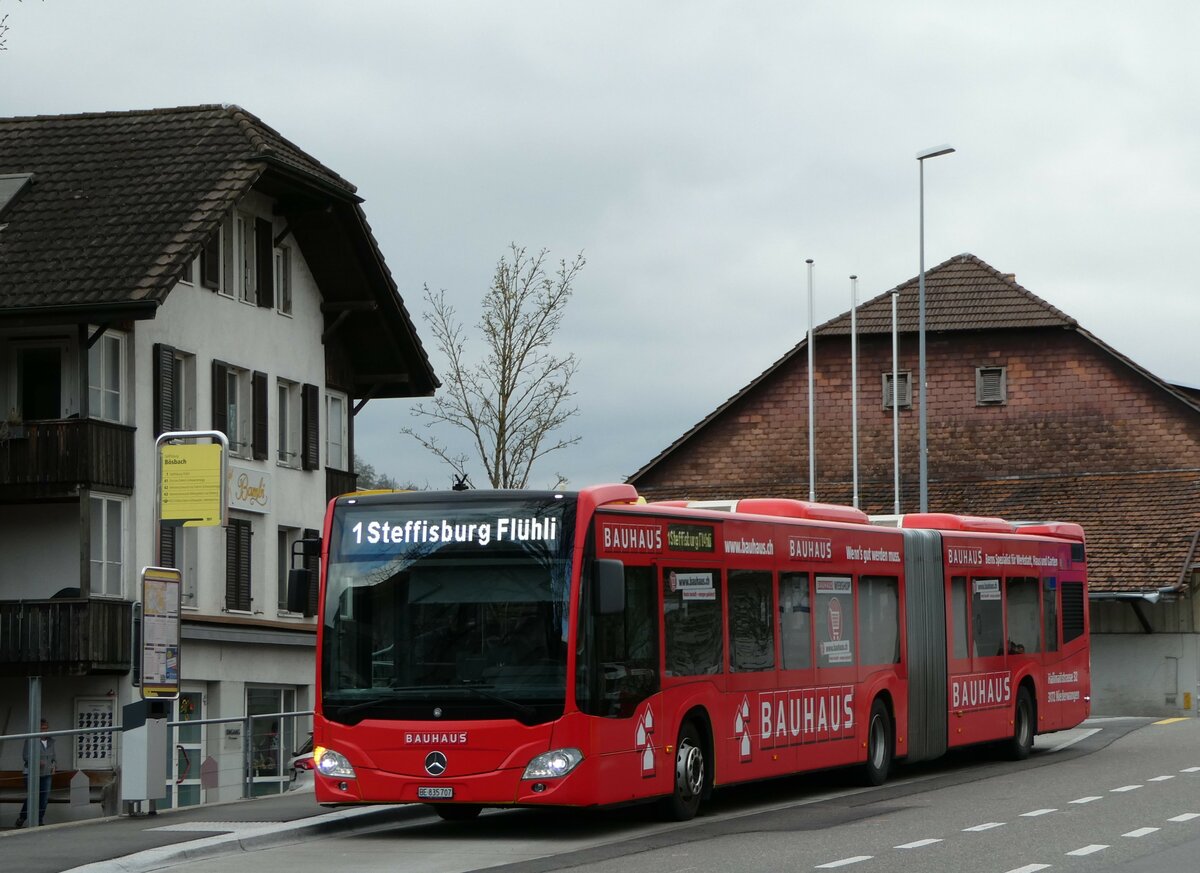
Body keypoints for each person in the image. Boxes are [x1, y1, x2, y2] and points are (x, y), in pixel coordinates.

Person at [15, 718, 56, 828]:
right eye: (43, 728)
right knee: (33, 796)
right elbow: (25, 756)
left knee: (44, 798)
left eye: (46, 728)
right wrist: (37, 761)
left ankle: (39, 820)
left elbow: (53, 757)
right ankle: (22, 817)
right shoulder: (30, 740)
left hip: (46, 773)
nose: (45, 730)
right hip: (32, 773)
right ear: (37, 729)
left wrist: (53, 766)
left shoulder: (51, 741)